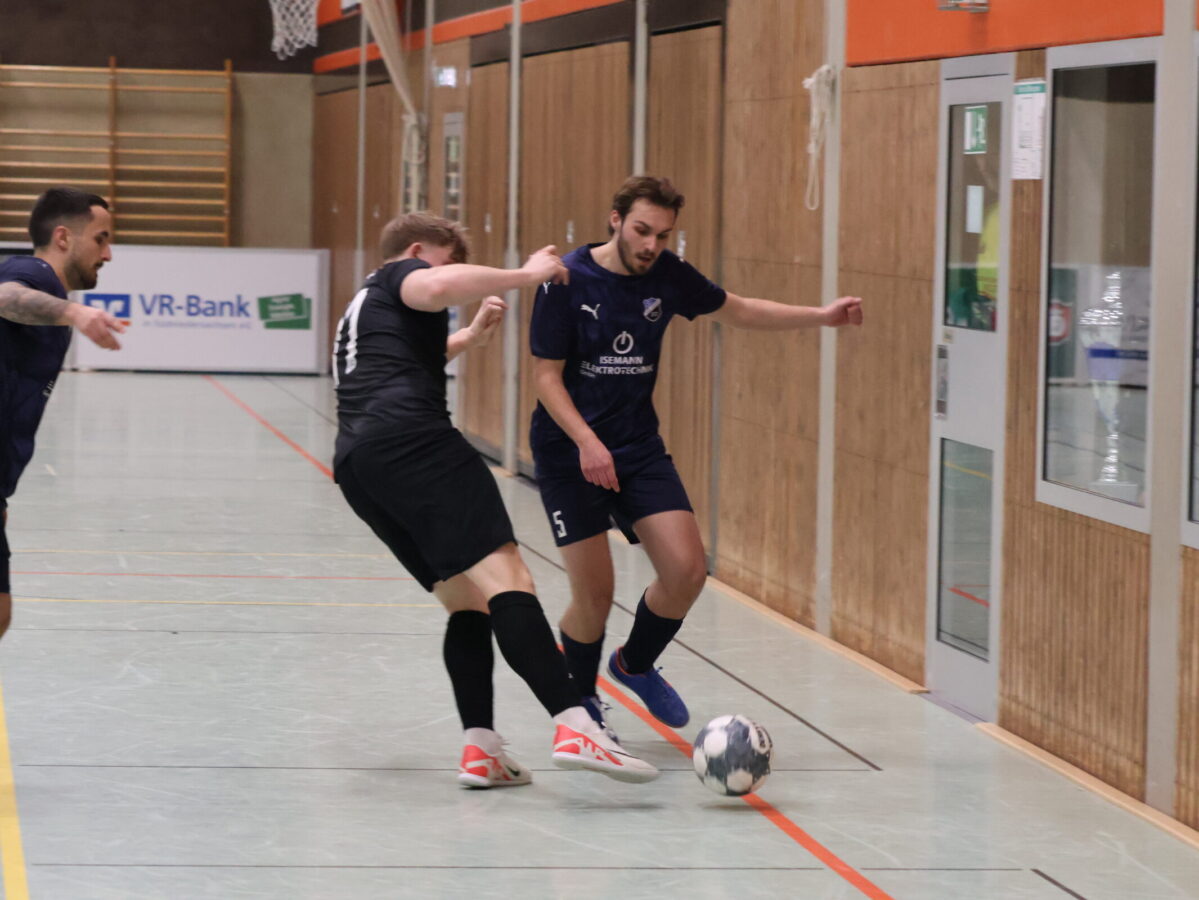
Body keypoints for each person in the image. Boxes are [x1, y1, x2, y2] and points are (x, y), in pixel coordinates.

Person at [331, 212, 659, 789]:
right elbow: (435, 285)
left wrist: (468, 339)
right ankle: (576, 724)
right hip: (417, 445)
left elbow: (401, 363)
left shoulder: (363, 307)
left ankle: (480, 748)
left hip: (360, 467)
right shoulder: (403, 275)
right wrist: (525, 275)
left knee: (467, 601)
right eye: (447, 260)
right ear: (415, 251)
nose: (451, 274)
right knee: (510, 579)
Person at [529, 175, 863, 736]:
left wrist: (822, 316)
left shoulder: (667, 275)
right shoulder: (565, 278)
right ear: (615, 219)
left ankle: (633, 665)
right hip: (570, 452)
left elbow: (740, 310)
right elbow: (545, 377)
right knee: (595, 595)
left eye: (662, 236)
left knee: (686, 572)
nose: (650, 245)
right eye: (642, 231)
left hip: (636, 447)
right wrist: (587, 442)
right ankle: (582, 707)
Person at [0, 187, 124, 640]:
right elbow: (4, 296)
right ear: (64, 238)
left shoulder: (49, 300)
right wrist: (75, 312)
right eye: (101, 239)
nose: (108, 254)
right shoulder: (31, 273)